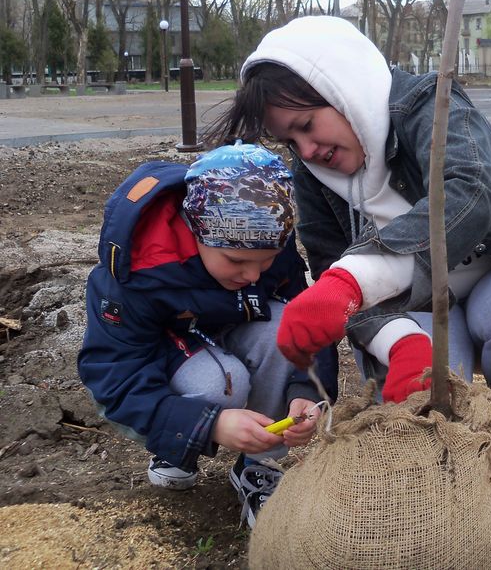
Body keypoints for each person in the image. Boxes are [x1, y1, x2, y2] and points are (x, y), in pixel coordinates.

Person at [205, 15, 491, 428]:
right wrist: (399, 340)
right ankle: (451, 458)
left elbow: (468, 194)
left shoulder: (432, 104)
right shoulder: (312, 172)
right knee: (429, 404)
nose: (307, 149)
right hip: (415, 304)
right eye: (290, 141)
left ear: (343, 89)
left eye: (306, 126)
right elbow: (330, 265)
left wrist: (351, 279)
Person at [78, 142, 338, 529]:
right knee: (221, 385)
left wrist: (306, 393)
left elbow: (310, 321)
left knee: (287, 326)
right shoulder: (137, 271)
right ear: (194, 230)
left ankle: (259, 464)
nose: (253, 275)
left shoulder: (265, 242)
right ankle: (174, 446)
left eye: (265, 262)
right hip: (167, 352)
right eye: (236, 261)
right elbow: (115, 375)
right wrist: (208, 424)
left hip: (230, 327)